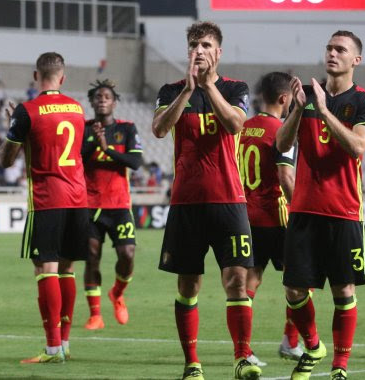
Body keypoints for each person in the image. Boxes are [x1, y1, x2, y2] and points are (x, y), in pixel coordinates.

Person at [152, 21, 260, 380]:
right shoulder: (170, 90)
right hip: (186, 201)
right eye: (195, 44)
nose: (199, 50)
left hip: (228, 199)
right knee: (188, 285)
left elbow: (234, 125)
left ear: (219, 52)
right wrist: (187, 90)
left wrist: (209, 86)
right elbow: (159, 128)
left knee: (237, 280)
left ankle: (242, 358)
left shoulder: (235, 88)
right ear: (188, 51)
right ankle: (192, 363)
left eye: (207, 44)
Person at [276, 30, 365, 380]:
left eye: (341, 49)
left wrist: (321, 109)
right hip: (303, 209)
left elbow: (357, 147)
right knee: (293, 290)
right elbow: (281, 142)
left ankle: (340, 366)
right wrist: (297, 107)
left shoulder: (364, 102)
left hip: (344, 210)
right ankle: (314, 344)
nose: (332, 54)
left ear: (355, 60)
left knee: (343, 290)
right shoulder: (307, 96)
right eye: (329, 48)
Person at [0, 52, 92, 364]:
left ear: (36, 76)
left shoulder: (27, 111)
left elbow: (5, 159)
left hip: (47, 199)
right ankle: (64, 344)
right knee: (67, 269)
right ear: (62, 78)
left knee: (45, 268)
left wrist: (15, 128)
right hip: (78, 197)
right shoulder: (78, 109)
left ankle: (51, 349)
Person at [238, 72, 303, 363]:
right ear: (284, 99)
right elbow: (285, 177)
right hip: (277, 218)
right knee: (300, 280)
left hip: (245, 217)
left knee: (249, 282)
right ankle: (291, 341)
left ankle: (245, 350)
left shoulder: (241, 128)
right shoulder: (283, 131)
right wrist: (301, 212)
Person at [81, 79, 143, 330]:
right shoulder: (83, 129)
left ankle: (117, 293)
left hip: (119, 206)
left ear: (115, 102)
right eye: (98, 97)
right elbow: (78, 159)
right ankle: (95, 315)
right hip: (90, 204)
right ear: (92, 102)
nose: (102, 100)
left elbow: (135, 162)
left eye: (107, 96)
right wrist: (96, 143)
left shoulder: (127, 129)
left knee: (127, 255)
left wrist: (106, 148)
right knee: (91, 258)